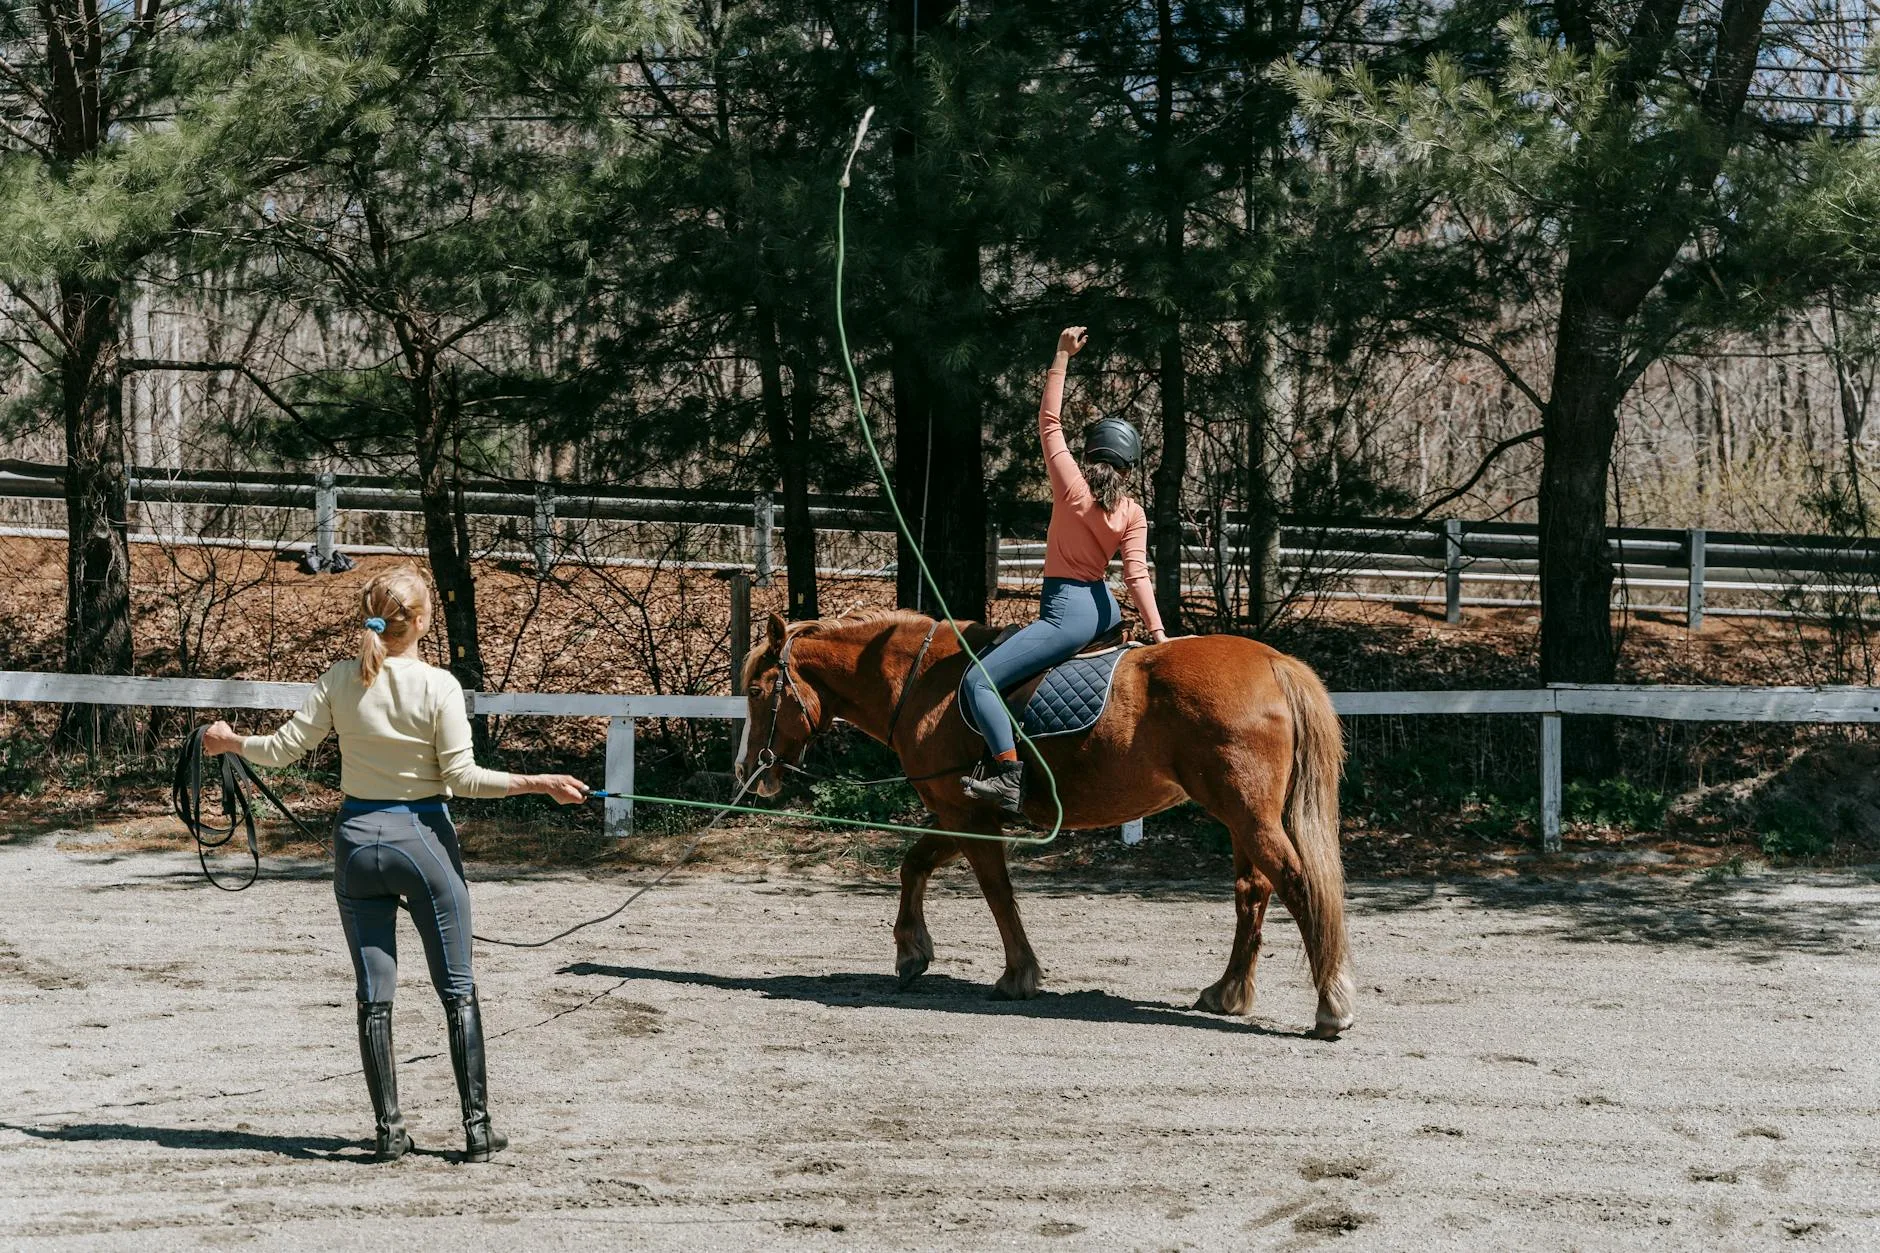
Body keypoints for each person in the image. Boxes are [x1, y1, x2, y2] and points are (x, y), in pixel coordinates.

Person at [199, 567, 588, 1163]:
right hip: (422, 842)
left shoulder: (338, 679)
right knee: (456, 988)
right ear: (424, 620)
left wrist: (228, 743)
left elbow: (280, 751)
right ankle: (477, 1128)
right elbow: (463, 778)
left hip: (357, 845)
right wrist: (541, 782)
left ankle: (389, 1131)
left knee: (373, 994)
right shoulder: (440, 687)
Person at [961, 326, 1169, 814]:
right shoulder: (1133, 511)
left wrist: (1060, 356)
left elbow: (1049, 422)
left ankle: (1009, 777)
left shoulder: (1072, 487)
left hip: (1066, 611)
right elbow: (1137, 576)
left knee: (978, 683)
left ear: (1092, 453)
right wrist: (1159, 635)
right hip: (1104, 610)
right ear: (1128, 467)